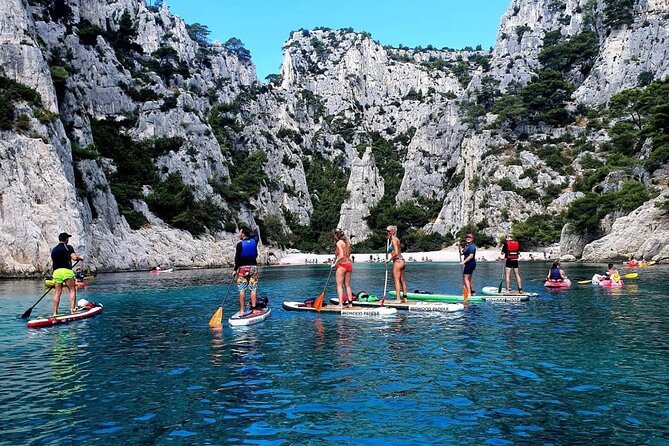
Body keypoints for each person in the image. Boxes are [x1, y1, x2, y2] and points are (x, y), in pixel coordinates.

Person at [51, 232, 84, 315]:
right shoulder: (68, 247)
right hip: (66, 271)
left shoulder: (54, 249)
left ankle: (55, 312)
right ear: (66, 239)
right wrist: (80, 258)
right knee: (72, 290)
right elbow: (74, 258)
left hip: (56, 272)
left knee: (57, 293)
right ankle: (72, 309)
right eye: (68, 238)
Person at [234, 226, 259, 315]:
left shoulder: (239, 245)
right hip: (253, 267)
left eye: (240, 232)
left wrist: (235, 270)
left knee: (242, 290)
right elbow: (256, 235)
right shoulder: (254, 241)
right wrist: (248, 235)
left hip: (242, 269)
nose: (239, 234)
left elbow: (237, 258)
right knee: (253, 289)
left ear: (243, 233)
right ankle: (254, 309)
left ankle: (241, 310)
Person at [332, 229, 353, 309]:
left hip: (342, 266)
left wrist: (335, 264)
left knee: (339, 286)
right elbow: (348, 254)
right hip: (349, 264)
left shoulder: (339, 243)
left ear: (336, 235)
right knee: (347, 285)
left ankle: (340, 304)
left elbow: (341, 256)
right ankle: (350, 303)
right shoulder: (347, 242)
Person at [386, 225, 407, 302]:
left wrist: (389, 260)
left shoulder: (394, 240)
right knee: (402, 280)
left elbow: (396, 253)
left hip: (398, 261)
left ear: (393, 231)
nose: (387, 232)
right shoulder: (393, 239)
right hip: (402, 261)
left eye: (388, 231)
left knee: (397, 280)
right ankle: (405, 298)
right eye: (386, 231)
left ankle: (398, 299)